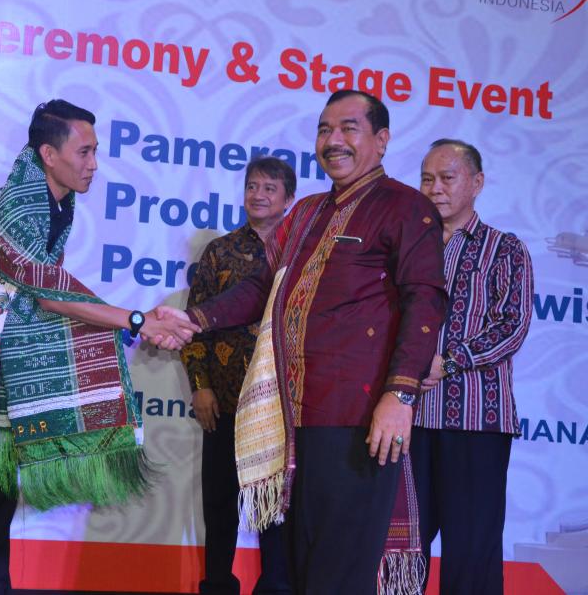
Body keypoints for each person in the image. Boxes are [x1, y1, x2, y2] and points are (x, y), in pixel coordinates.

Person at [0, 99, 198, 594]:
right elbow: (47, 293)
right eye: (84, 152)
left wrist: (141, 320)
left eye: (95, 152)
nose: (94, 164)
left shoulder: (59, 202)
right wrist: (137, 320)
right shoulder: (21, 203)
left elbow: (49, 290)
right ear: (49, 154)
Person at [180, 89, 447, 594]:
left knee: (339, 570)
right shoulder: (304, 213)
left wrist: (400, 395)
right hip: (292, 417)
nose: (333, 140)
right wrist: (194, 319)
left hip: (357, 418)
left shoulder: (405, 207)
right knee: (295, 568)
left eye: (348, 128)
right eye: (325, 129)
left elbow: (425, 302)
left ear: (381, 140)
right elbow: (261, 287)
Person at [412, 139, 534, 595]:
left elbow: (513, 326)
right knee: (401, 548)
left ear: (477, 182)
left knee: (471, 552)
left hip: (476, 423)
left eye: (447, 178)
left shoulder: (505, 249)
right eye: (427, 179)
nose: (435, 188)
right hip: (409, 420)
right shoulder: (407, 247)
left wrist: (449, 361)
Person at [181, 157, 295, 595]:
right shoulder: (220, 251)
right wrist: (200, 386)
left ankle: (276, 587)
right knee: (219, 501)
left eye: (269, 188)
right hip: (224, 400)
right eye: (252, 186)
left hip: (279, 406)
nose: (258, 195)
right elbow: (194, 325)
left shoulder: (301, 254)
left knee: (275, 505)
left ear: (289, 199)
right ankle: (217, 584)